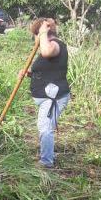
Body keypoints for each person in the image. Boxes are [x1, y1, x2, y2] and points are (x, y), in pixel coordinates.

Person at [19, 18, 70, 168]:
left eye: (35, 35)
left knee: (45, 128)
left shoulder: (54, 45)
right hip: (45, 97)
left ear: (39, 34)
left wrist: (42, 33)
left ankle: (46, 162)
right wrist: (28, 73)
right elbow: (47, 70)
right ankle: (47, 154)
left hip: (53, 97)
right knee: (44, 126)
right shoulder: (46, 47)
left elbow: (47, 52)